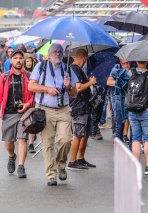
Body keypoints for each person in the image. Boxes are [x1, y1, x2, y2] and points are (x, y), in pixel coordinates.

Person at [28, 43, 79, 186]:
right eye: (55, 51)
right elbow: (31, 86)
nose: (58, 54)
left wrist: (69, 86)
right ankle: (51, 174)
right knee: (48, 143)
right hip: (45, 109)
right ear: (49, 54)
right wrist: (47, 89)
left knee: (66, 140)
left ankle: (61, 165)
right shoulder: (41, 67)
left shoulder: (68, 69)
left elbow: (75, 93)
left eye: (60, 52)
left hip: (63, 109)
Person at [0, 50, 33, 178]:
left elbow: (34, 95)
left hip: (24, 113)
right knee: (8, 141)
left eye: (20, 58)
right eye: (15, 58)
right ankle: (12, 156)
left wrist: (28, 104)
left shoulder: (29, 76)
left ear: (24, 60)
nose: (18, 60)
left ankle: (21, 166)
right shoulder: (4, 77)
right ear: (11, 60)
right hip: (8, 113)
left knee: (22, 138)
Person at [127, 61, 148, 175]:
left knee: (135, 138)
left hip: (132, 109)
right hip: (146, 109)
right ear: (147, 61)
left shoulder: (129, 73)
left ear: (136, 61)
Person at [67, 49, 97, 170]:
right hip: (79, 106)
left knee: (85, 134)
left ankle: (80, 158)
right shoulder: (74, 69)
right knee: (78, 134)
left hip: (85, 105)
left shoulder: (77, 70)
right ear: (83, 58)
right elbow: (78, 88)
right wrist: (90, 82)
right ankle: (72, 161)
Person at [107, 59, 131, 142]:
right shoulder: (116, 68)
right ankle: (118, 141)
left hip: (130, 98)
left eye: (127, 63)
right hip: (118, 97)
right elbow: (109, 82)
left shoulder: (133, 70)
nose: (126, 65)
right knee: (119, 123)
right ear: (120, 63)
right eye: (124, 63)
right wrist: (120, 82)